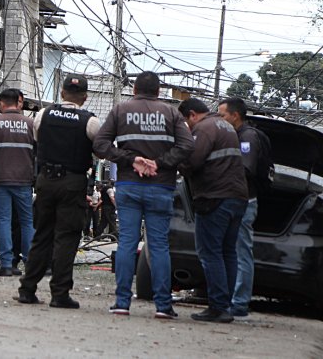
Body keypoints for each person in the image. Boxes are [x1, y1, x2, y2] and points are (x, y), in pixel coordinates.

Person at [93, 71, 194, 318]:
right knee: (159, 246)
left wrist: (131, 159)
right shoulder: (171, 113)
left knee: (127, 242)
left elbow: (100, 144)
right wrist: (160, 163)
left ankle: (122, 303)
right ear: (159, 91)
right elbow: (187, 145)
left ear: (135, 89)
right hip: (161, 186)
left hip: (129, 185)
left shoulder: (120, 110)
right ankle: (162, 306)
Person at [18, 74, 100, 309]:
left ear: (62, 93)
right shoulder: (90, 121)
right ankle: (59, 293)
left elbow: (38, 139)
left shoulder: (43, 114)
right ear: (84, 98)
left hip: (45, 180)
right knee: (67, 238)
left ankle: (27, 289)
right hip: (72, 183)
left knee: (42, 234)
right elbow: (100, 150)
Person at [178, 98, 249, 323]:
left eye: (185, 123)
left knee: (210, 253)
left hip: (215, 198)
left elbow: (193, 161)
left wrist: (173, 162)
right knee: (228, 252)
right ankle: (225, 305)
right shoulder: (226, 126)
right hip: (237, 197)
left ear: (192, 115)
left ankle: (217, 306)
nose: (187, 128)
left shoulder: (204, 128)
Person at [217, 97, 271, 318]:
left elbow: (245, 169)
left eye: (222, 115)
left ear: (235, 116)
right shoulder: (234, 136)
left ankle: (239, 302)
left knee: (241, 252)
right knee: (231, 251)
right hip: (234, 200)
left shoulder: (247, 137)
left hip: (244, 201)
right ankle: (230, 298)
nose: (220, 120)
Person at [0, 88, 36, 277]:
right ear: (18, 102)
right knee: (27, 222)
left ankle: (6, 265)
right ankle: (30, 262)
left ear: (2, 103)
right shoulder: (31, 124)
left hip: (0, 179)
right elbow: (38, 154)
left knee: (3, 220)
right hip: (24, 180)